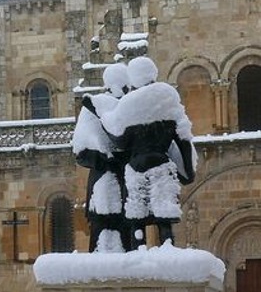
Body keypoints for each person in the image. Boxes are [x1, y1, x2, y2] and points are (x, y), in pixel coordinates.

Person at [99, 56, 196, 249]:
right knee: (164, 213)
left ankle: (139, 247)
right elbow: (183, 136)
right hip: (161, 163)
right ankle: (167, 244)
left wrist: (102, 116)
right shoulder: (168, 96)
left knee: (138, 214)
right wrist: (188, 170)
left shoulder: (128, 104)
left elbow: (119, 139)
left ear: (133, 77)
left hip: (136, 166)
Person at [74, 62, 132, 252]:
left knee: (129, 237)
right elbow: (80, 151)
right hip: (103, 183)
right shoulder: (92, 108)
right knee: (100, 238)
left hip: (128, 184)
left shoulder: (131, 106)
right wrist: (107, 160)